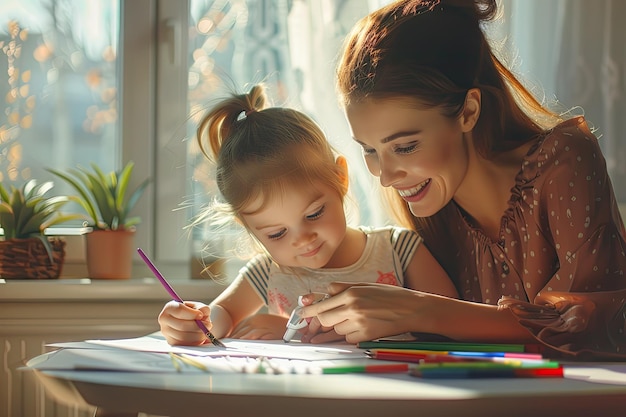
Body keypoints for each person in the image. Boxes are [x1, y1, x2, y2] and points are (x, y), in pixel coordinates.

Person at [299, 0, 626, 359]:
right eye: (370, 150)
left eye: (405, 146)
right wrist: (353, 324)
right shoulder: (424, 196)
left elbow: (598, 328)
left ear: (468, 111)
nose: (387, 177)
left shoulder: (564, 160)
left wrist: (416, 309)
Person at [157, 84, 458, 346]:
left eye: (314, 214)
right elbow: (219, 319)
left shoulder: (398, 250)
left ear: (341, 177)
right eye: (276, 233)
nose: (303, 239)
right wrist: (191, 321)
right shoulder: (268, 271)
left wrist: (293, 332)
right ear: (247, 227)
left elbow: (452, 322)